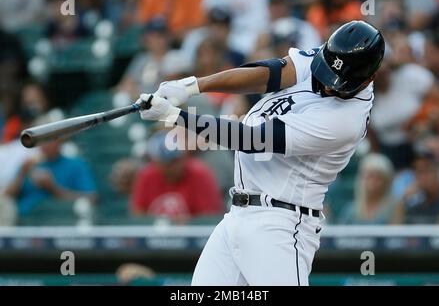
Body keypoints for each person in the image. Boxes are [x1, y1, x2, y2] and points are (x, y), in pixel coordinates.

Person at [136, 20, 385, 285]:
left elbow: (250, 139)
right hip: (237, 216)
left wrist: (175, 116)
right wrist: (192, 86)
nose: (327, 85)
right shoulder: (326, 59)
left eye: (338, 83)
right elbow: (269, 74)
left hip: (281, 224)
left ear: (368, 78)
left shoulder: (345, 121)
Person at [130, 130, 223, 223]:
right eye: (165, 162)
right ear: (156, 161)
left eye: (174, 160)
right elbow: (138, 217)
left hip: (193, 236)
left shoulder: (200, 174)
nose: (170, 167)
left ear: (184, 156)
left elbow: (209, 219)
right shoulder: (147, 176)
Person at [4, 135, 97, 217]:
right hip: (25, 223)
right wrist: (21, 173)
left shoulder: (76, 165)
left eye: (49, 140)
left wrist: (53, 188)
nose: (45, 145)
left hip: (60, 221)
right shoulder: (28, 165)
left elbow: (92, 199)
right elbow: (7, 196)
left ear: (60, 141)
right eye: (40, 141)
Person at [338, 153, 396, 225]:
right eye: (370, 176)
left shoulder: (394, 208)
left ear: (386, 181)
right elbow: (341, 234)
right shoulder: (350, 210)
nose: (375, 182)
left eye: (379, 178)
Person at [392, 152, 439, 224]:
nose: (422, 177)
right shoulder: (416, 206)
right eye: (418, 171)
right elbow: (393, 230)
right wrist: (403, 200)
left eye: (427, 170)